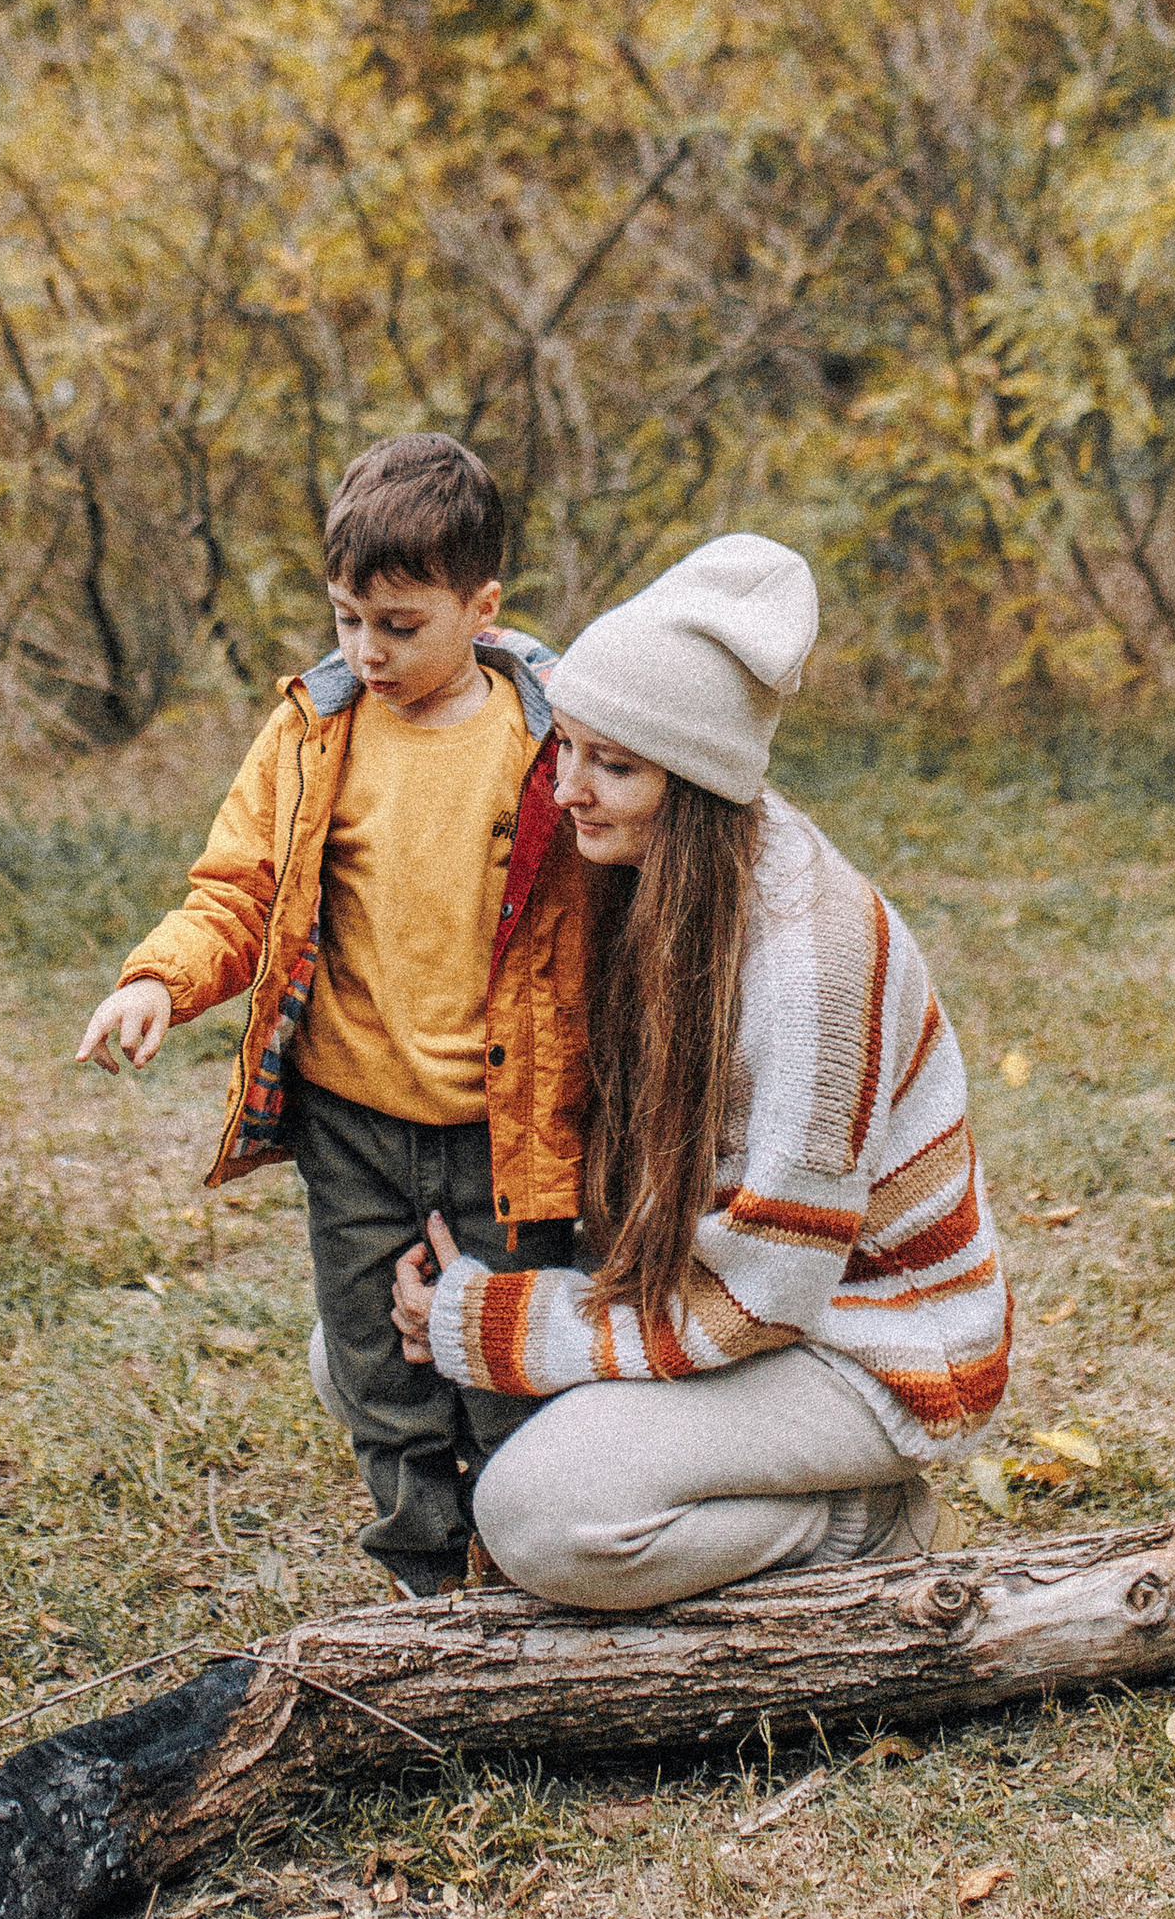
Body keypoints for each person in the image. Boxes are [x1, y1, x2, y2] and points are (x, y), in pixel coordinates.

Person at [390, 537, 1010, 1606]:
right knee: (359, 1343)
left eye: (615, 766)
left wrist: (507, 1327)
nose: (570, 790)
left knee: (540, 1517)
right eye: (567, 749)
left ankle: (856, 1521)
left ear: (701, 785)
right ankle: (643, 1485)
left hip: (858, 1345)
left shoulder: (807, 962)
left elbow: (763, 1296)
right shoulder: (644, 874)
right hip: (718, 1294)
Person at [77, 434, 595, 1595]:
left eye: (400, 625)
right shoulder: (315, 731)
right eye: (347, 619)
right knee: (379, 1370)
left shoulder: (546, 734)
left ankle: (530, 1567)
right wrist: (160, 977)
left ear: (482, 607)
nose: (366, 650)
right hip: (351, 1121)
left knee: (503, 1362)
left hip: (504, 1125)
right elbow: (239, 892)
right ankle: (427, 1580)